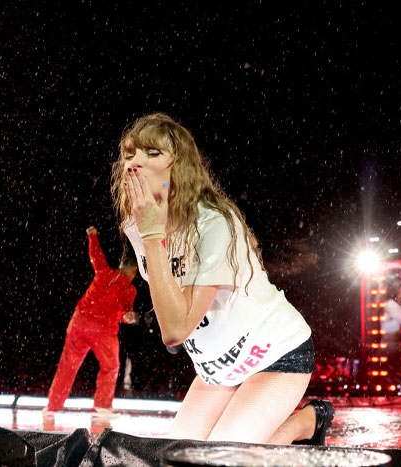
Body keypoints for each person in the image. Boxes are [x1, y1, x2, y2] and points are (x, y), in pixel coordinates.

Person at [111, 113, 333, 444]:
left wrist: (153, 233)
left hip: (273, 354)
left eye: (151, 153)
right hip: (217, 370)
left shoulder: (213, 222)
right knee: (177, 457)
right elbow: (170, 291)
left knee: (225, 459)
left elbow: (174, 331)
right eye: (130, 153)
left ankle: (307, 421)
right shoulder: (136, 224)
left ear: (178, 167)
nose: (133, 163)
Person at [44, 227, 138, 418]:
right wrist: (128, 317)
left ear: (120, 268)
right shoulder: (129, 288)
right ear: (133, 273)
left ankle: (52, 407)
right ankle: (102, 405)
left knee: (67, 366)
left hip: (79, 322)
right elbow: (124, 311)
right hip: (102, 330)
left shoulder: (104, 273)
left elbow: (96, 256)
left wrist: (92, 236)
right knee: (110, 366)